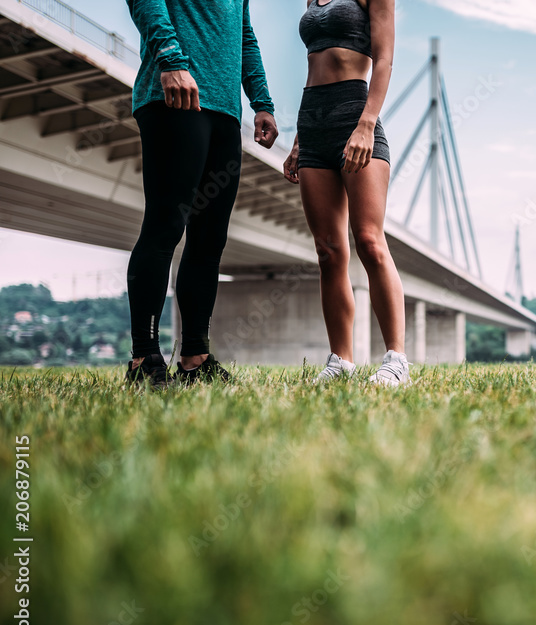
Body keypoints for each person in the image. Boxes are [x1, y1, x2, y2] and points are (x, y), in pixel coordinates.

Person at [124, 0, 279, 387]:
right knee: (164, 227)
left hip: (225, 109)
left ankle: (195, 358)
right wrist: (170, 60)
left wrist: (261, 100)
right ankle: (143, 357)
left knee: (210, 239)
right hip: (173, 96)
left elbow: (244, 34)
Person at [283, 0, 409, 387]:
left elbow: (385, 58)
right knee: (328, 251)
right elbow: (314, 65)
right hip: (312, 120)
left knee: (369, 240)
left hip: (356, 114)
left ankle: (396, 361)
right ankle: (341, 361)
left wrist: (366, 124)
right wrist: (301, 139)